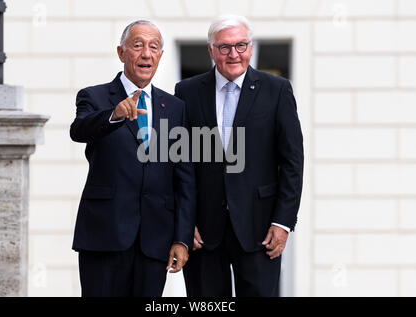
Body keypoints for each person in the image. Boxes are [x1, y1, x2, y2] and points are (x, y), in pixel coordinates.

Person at [174, 15, 304, 297]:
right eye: (224, 47)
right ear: (211, 50)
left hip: (261, 229)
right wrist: (184, 222)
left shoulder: (277, 90)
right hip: (203, 233)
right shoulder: (187, 92)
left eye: (241, 45)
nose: (234, 54)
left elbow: (292, 162)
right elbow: (178, 161)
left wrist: (282, 223)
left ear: (251, 48)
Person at [70, 20, 196, 297]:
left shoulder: (175, 108)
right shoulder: (95, 96)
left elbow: (184, 177)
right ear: (121, 53)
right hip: (104, 235)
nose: (146, 54)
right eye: (137, 46)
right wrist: (114, 116)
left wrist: (182, 238)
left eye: (154, 47)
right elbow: (78, 130)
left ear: (161, 56)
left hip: (155, 241)